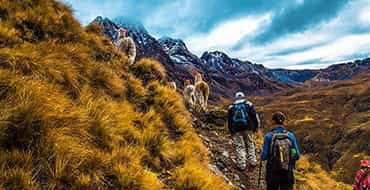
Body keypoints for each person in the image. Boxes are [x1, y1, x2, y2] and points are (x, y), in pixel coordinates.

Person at [261, 112, 300, 190]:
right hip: (287, 171)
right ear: (284, 122)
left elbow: (263, 157)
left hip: (272, 172)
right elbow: (296, 155)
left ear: (273, 121)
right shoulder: (290, 136)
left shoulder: (268, 136)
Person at [228, 92, 260, 172]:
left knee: (239, 146)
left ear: (235, 98)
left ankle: (241, 165)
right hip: (248, 128)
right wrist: (256, 127)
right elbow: (254, 116)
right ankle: (252, 161)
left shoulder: (231, 107)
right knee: (250, 144)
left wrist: (231, 131)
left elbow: (229, 120)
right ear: (243, 97)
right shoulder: (248, 104)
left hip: (236, 129)